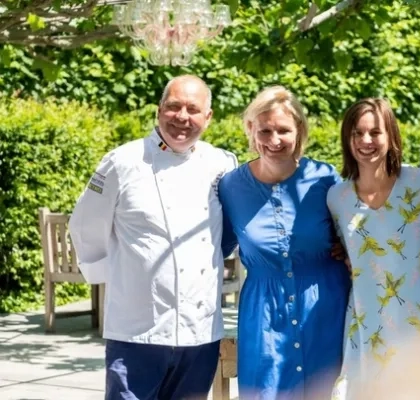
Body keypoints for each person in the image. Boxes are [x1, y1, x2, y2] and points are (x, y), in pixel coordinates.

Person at [69, 75, 237, 400]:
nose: (182, 117)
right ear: (159, 111)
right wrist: (121, 278)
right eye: (173, 107)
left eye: (193, 109)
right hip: (136, 331)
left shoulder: (222, 163)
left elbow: (228, 233)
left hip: (199, 332)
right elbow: (85, 225)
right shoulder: (122, 161)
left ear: (208, 117)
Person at [218, 86, 351, 399]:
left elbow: (355, 231)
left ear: (299, 130)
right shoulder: (231, 186)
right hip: (264, 316)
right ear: (251, 129)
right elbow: (213, 247)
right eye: (265, 130)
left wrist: (346, 247)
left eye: (283, 130)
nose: (274, 140)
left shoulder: (324, 178)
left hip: (325, 310)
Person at [327, 98, 420, 399]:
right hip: (368, 323)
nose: (366, 140)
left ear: (391, 136)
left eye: (375, 132)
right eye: (357, 133)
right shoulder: (337, 198)